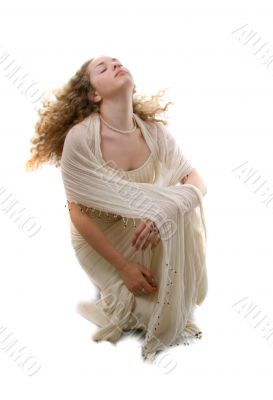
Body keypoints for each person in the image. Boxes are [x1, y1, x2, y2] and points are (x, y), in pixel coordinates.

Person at [24, 54, 208, 362]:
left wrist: (165, 213)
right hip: (100, 237)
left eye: (117, 62)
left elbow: (197, 181)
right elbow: (77, 213)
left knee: (180, 204)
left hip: (144, 229)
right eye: (103, 68)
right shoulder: (81, 138)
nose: (115, 66)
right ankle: (118, 286)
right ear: (94, 94)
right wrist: (123, 267)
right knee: (145, 315)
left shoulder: (153, 133)